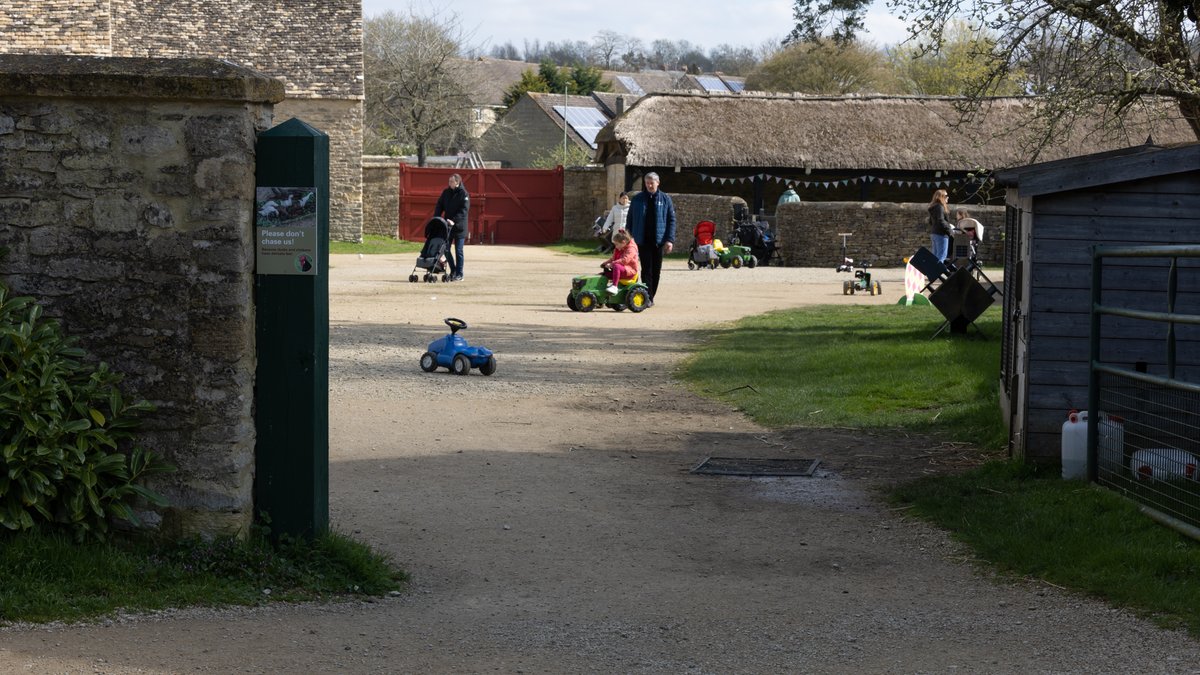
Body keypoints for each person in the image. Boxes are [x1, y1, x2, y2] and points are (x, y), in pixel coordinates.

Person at [624, 172, 676, 304]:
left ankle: (650, 295)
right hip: (642, 240)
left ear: (658, 183)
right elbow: (630, 219)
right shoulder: (637, 199)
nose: (649, 185)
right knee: (646, 269)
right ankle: (648, 298)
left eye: (652, 183)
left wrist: (670, 240)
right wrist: (627, 237)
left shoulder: (665, 199)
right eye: (647, 183)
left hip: (658, 241)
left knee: (656, 270)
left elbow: (671, 220)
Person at [434, 173, 469, 281]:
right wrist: (437, 217)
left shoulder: (464, 194)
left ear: (457, 182)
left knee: (459, 251)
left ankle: (460, 274)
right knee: (446, 250)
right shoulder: (446, 192)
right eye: (449, 181)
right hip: (447, 227)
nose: (449, 183)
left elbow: (464, 210)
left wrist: (454, 220)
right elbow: (439, 205)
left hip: (459, 227)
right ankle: (453, 271)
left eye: (451, 182)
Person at [601, 229, 640, 296]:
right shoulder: (620, 248)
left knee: (616, 265)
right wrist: (605, 263)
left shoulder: (631, 249)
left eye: (616, 244)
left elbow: (625, 260)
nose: (615, 246)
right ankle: (601, 291)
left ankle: (614, 287)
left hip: (630, 271)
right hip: (622, 270)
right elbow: (613, 259)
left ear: (623, 242)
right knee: (604, 274)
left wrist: (612, 264)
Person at [927, 189, 955, 265]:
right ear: (941, 197)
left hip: (934, 233)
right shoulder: (940, 207)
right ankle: (936, 274)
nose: (948, 197)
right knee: (941, 256)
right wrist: (950, 231)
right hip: (941, 234)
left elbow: (930, 222)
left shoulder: (934, 207)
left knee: (935, 256)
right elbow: (941, 221)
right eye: (946, 195)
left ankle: (932, 274)